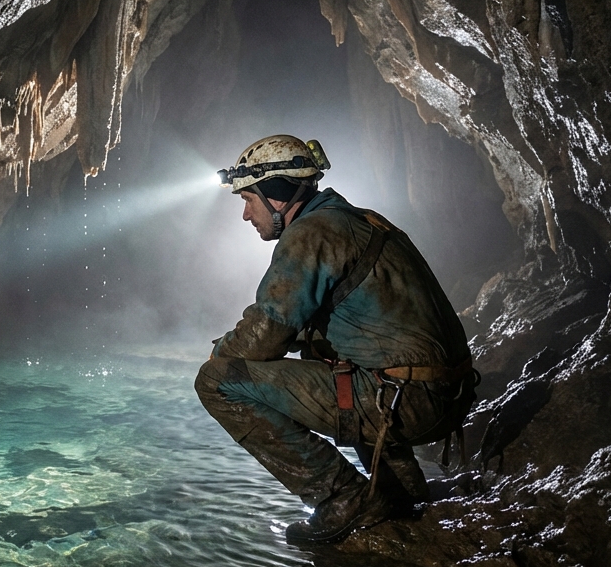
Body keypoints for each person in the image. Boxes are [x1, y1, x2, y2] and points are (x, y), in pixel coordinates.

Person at [194, 134, 478, 544]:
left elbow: (266, 331)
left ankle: (342, 497)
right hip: (446, 395)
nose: (244, 215)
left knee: (217, 381)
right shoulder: (360, 220)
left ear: (276, 196)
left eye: (248, 200)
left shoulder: (311, 234)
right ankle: (401, 488)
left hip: (406, 402)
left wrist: (218, 351)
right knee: (320, 349)